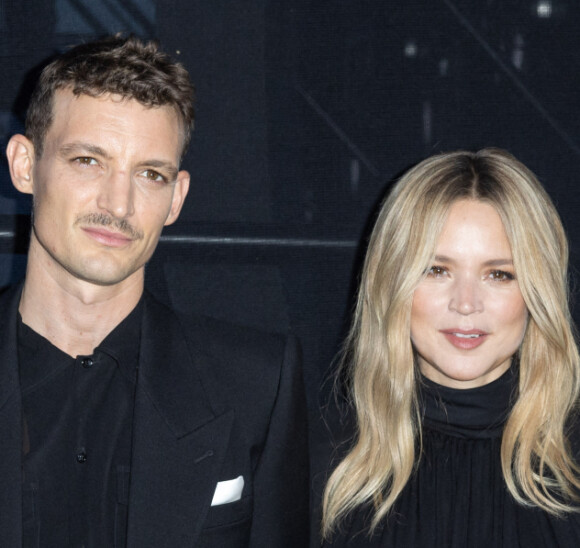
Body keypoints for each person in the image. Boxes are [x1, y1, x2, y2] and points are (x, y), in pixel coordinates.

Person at [3, 34, 309, 547]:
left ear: (176, 197)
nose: (118, 202)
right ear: (24, 165)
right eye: (88, 161)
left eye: (149, 173)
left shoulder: (256, 383)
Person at [320, 149, 580, 547]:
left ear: (536, 292)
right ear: (392, 281)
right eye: (437, 270)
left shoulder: (571, 463)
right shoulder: (326, 461)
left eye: (499, 274)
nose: (465, 303)